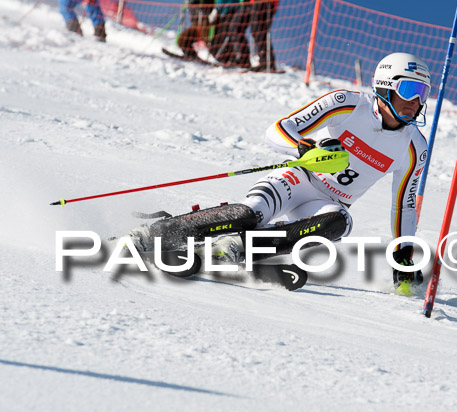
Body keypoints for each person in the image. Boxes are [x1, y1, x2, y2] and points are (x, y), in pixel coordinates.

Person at [131, 52, 432, 289]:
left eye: (423, 93)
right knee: (247, 215)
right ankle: (152, 234)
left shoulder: (414, 146)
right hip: (298, 179)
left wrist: (403, 255)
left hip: (327, 203)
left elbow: (403, 204)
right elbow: (277, 129)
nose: (416, 102)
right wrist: (304, 148)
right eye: (410, 89)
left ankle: (239, 247)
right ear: (386, 86)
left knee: (339, 222)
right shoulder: (348, 104)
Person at [249, 0, 278, 71]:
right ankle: (264, 61)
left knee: (261, 32)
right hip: (255, 3)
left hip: (266, 3)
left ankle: (266, 63)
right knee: (255, 31)